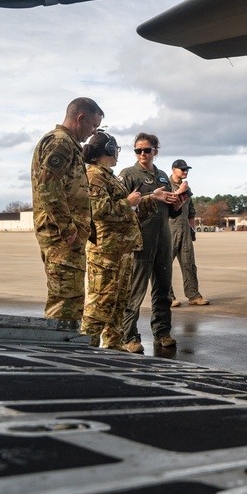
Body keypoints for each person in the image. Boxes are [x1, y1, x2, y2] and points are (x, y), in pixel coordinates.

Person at [81, 131, 172, 349]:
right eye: (117, 149)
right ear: (109, 150)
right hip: (106, 252)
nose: (118, 154)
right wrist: (129, 202)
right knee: (99, 304)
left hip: (121, 250)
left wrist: (150, 199)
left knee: (117, 303)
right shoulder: (94, 175)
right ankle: (86, 350)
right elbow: (99, 210)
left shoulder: (108, 175)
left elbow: (129, 210)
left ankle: (114, 347)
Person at [30, 97, 104, 329]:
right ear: (80, 118)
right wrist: (67, 229)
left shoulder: (67, 144)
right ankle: (56, 355)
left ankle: (59, 350)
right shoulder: (60, 143)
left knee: (69, 300)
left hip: (65, 238)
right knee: (65, 303)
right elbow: (48, 187)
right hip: (61, 239)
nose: (93, 133)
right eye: (93, 125)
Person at [119, 133, 183, 353]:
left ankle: (162, 332)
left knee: (163, 289)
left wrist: (177, 203)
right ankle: (128, 336)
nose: (143, 154)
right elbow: (121, 207)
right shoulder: (128, 175)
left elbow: (169, 211)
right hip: (140, 239)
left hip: (163, 238)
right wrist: (149, 198)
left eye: (147, 150)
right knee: (135, 290)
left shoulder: (164, 176)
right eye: (138, 150)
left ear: (156, 150)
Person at [167, 159, 209, 306]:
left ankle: (193, 295)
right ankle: (168, 297)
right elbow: (167, 205)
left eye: (186, 169)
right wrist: (180, 191)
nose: (185, 172)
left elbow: (191, 211)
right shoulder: (165, 185)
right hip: (169, 230)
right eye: (182, 169)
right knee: (165, 265)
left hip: (184, 230)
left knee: (189, 263)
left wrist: (192, 230)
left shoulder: (186, 188)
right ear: (174, 170)